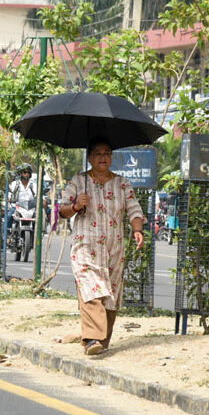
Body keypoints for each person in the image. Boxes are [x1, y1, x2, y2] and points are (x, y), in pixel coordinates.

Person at [58, 137, 145, 356]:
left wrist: (137, 230)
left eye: (107, 153)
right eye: (98, 153)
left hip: (113, 247)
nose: (103, 157)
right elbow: (62, 210)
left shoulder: (122, 183)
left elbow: (134, 210)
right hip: (85, 245)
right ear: (89, 158)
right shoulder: (78, 181)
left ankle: (102, 340)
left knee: (111, 293)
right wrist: (77, 205)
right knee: (91, 287)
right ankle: (91, 339)